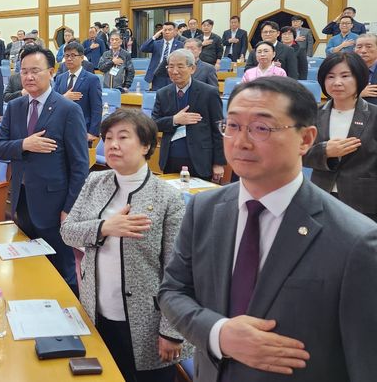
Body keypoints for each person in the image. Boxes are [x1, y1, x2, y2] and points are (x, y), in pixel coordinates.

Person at [159, 75, 377, 382]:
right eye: (233, 126)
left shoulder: (355, 240)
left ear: (306, 139)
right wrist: (219, 333)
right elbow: (173, 291)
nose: (241, 141)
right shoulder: (204, 209)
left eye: (261, 128)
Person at [62, 109, 190, 382]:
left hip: (148, 323)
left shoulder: (167, 198)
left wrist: (171, 331)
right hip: (96, 312)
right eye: (108, 138)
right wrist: (104, 228)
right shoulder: (95, 182)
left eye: (123, 137)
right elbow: (67, 232)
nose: (112, 145)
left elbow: (179, 272)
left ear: (146, 146)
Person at [0, 45, 89, 295]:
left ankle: (69, 313)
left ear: (51, 72)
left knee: (61, 269)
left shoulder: (68, 110)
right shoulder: (15, 107)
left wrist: (70, 208)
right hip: (22, 200)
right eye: (24, 71)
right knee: (28, 265)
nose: (29, 77)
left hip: (55, 205)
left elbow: (80, 166)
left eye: (35, 71)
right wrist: (24, 144)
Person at [303, 52, 377, 220]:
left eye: (345, 76)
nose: (337, 82)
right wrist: (325, 152)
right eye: (330, 77)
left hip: (364, 202)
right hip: (321, 196)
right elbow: (297, 155)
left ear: (359, 79)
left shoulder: (374, 115)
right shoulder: (313, 114)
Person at [151, 49, 226, 182]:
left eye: (180, 66)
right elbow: (153, 124)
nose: (175, 71)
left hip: (201, 159)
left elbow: (219, 129)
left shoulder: (209, 93)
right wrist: (174, 120)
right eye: (171, 67)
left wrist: (218, 163)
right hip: (171, 158)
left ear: (192, 69)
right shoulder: (162, 93)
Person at [53, 42, 102, 143]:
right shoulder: (60, 78)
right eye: (66, 56)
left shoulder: (92, 79)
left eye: (73, 55)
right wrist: (64, 97)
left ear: (82, 57)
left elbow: (96, 107)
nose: (69, 59)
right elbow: (52, 101)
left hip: (82, 129)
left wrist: (92, 132)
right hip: (60, 129)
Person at [140, 22, 184, 91]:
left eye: (169, 30)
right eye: (165, 30)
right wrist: (154, 37)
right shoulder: (156, 43)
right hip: (157, 75)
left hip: (173, 74)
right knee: (157, 94)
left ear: (174, 31)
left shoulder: (180, 45)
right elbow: (143, 48)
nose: (167, 32)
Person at [355, 33, 377, 105]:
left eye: (368, 46)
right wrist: (356, 94)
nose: (363, 51)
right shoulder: (347, 69)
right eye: (359, 47)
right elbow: (332, 97)